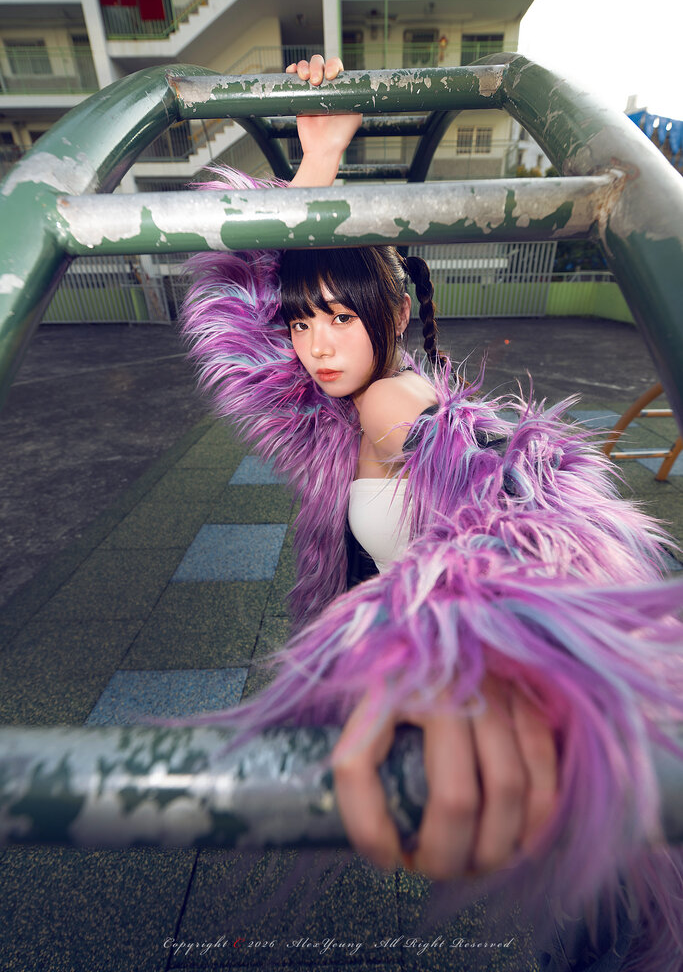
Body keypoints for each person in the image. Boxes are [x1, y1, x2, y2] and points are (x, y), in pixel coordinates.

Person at [181, 55, 682, 968]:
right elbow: (236, 315)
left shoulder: (392, 403)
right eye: (302, 323)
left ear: (391, 312)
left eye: (339, 317)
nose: (315, 346)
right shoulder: (331, 417)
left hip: (497, 687)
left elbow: (517, 514)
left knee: (612, 917)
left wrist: (474, 655)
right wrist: (318, 158)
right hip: (458, 688)